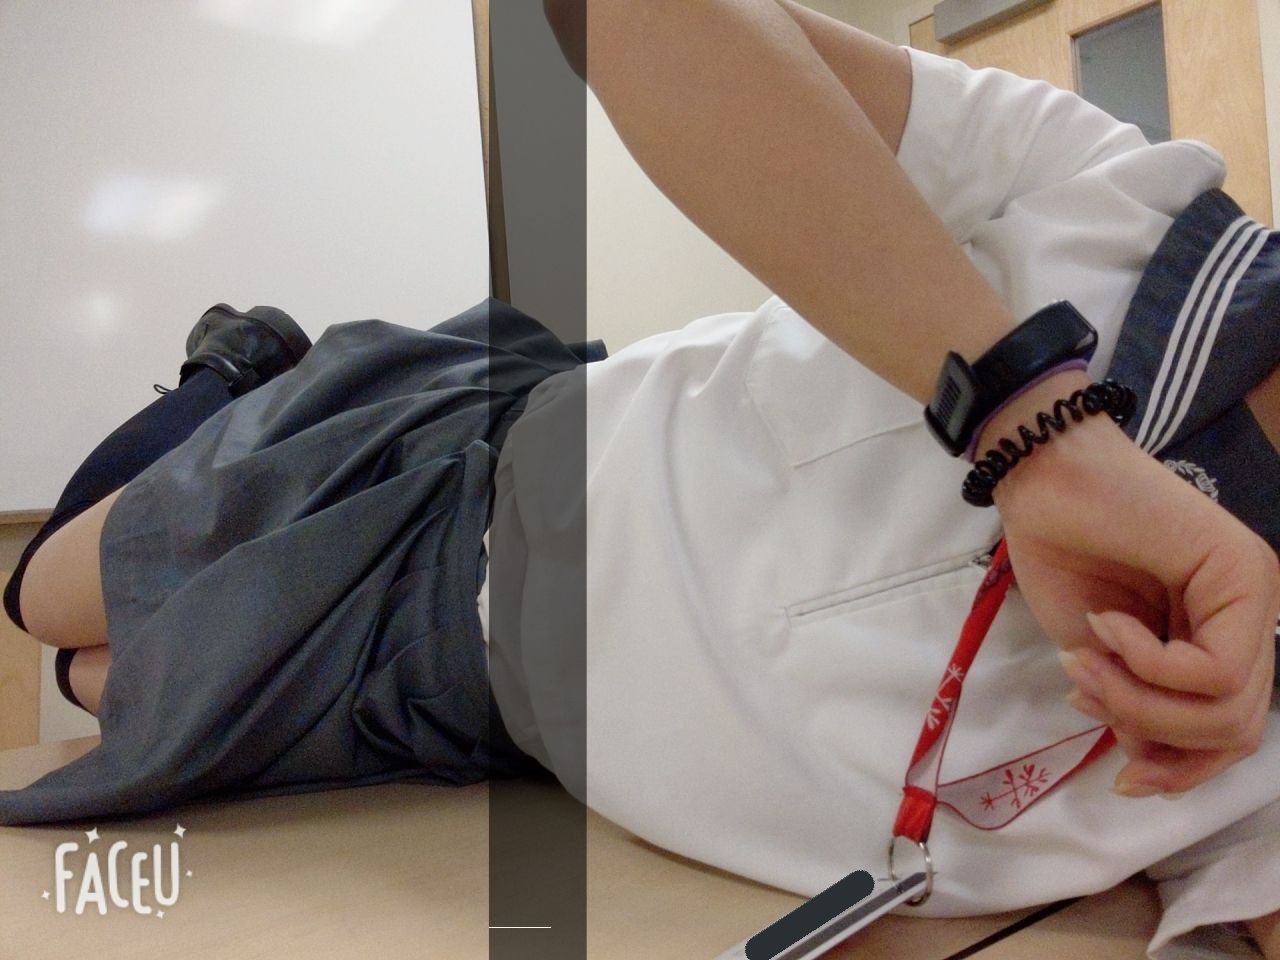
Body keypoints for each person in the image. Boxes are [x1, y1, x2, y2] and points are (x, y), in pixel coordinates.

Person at [3, 1, 1279, 956]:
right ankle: (238, 376)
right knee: (43, 600)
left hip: (489, 717)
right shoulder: (1123, 208)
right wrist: (1033, 425)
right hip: (463, 487)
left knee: (100, 690)